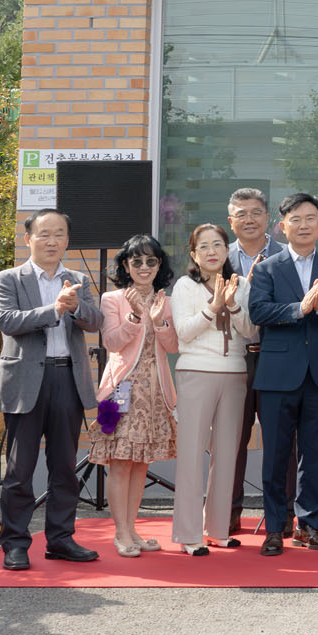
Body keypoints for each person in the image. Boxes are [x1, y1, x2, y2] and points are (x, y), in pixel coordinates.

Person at [0, 210, 104, 571]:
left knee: (64, 466)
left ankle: (60, 538)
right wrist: (53, 310)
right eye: (44, 234)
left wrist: (76, 308)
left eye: (59, 234)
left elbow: (96, 321)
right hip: (25, 381)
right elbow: (7, 321)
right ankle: (15, 543)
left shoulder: (77, 280)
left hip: (67, 378)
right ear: (29, 239)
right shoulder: (8, 279)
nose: (52, 241)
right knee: (20, 469)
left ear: (67, 239)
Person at [247, 192, 318, 556]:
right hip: (277, 374)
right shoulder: (267, 268)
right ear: (283, 226)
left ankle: (309, 526)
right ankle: (275, 527)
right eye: (296, 219)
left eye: (310, 218)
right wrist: (298, 308)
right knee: (276, 455)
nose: (304, 225)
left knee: (314, 454)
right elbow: (259, 312)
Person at [92, 234, 180, 558]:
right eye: (137, 261)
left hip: (155, 390)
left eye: (151, 261)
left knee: (141, 463)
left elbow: (173, 347)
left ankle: (133, 529)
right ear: (126, 266)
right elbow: (112, 344)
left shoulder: (165, 300)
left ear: (159, 265)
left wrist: (159, 321)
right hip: (121, 390)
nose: (144, 267)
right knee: (120, 462)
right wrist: (134, 317)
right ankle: (120, 533)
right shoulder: (112, 299)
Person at [170, 223, 255, 555]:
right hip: (195, 371)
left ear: (226, 249)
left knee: (227, 453)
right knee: (192, 454)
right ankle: (188, 534)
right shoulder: (184, 286)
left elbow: (251, 331)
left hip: (234, 374)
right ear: (194, 254)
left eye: (217, 244)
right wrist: (213, 307)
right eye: (203, 246)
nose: (211, 251)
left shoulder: (242, 284)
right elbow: (183, 332)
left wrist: (232, 305)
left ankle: (218, 529)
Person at [220, 186, 287, 536]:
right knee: (231, 440)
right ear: (230, 221)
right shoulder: (218, 258)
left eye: (256, 212)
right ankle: (227, 513)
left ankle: (283, 517)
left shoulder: (287, 256)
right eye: (241, 214)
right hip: (233, 358)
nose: (249, 219)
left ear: (268, 218)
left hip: (277, 356)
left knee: (281, 440)